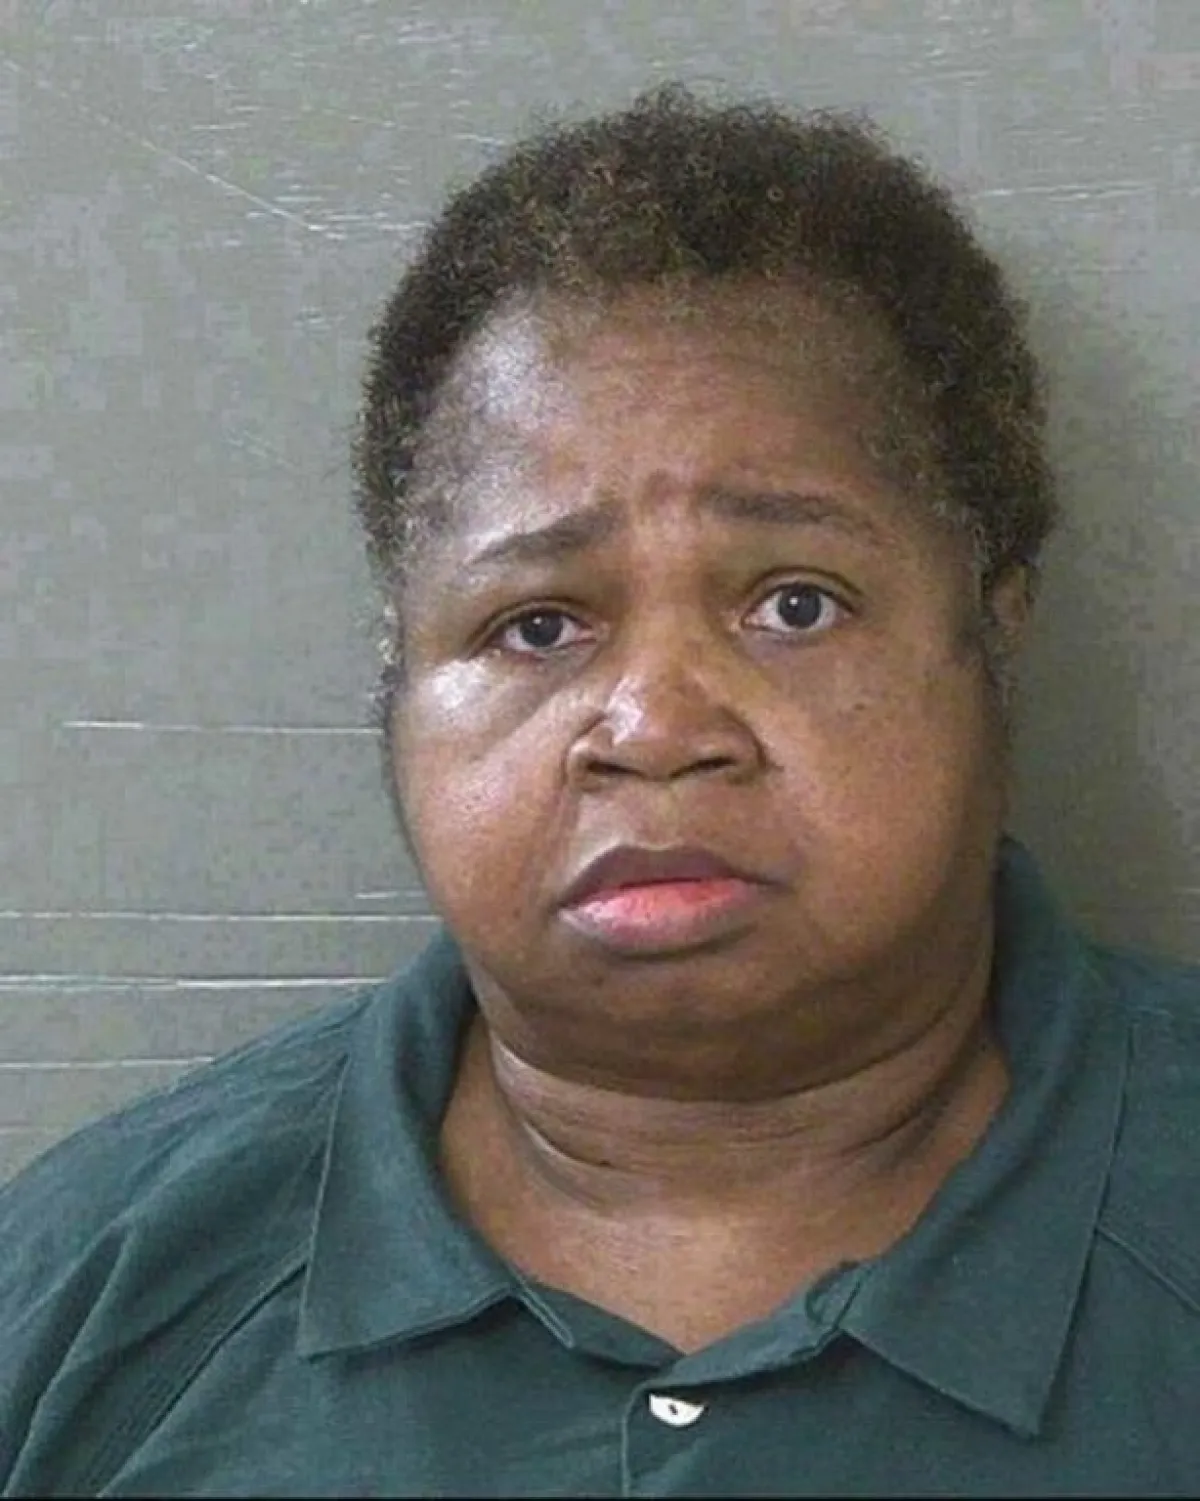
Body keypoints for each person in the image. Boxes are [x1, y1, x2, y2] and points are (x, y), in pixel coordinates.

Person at [2, 82, 1197, 1498]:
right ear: (398, 684)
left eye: (795, 605)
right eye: (539, 626)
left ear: (994, 633)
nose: (656, 729)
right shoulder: (86, 1304)